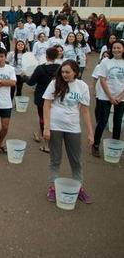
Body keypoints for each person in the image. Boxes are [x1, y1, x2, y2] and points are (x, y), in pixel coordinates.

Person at [43, 60, 93, 204]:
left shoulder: (82, 86)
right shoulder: (54, 83)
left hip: (73, 128)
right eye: (62, 72)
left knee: (76, 160)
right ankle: (53, 187)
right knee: (55, 159)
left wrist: (90, 133)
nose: (64, 75)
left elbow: (85, 110)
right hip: (55, 126)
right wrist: (46, 127)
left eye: (67, 72)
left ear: (75, 72)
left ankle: (79, 188)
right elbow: (46, 105)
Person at [23, 47, 60, 152]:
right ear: (57, 56)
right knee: (52, 118)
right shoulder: (60, 68)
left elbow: (31, 82)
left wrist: (24, 76)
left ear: (46, 56)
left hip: (41, 96)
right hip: (55, 96)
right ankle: (40, 135)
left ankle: (47, 144)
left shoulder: (40, 68)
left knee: (43, 119)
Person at [92, 40, 124, 157]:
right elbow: (102, 80)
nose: (116, 50)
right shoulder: (106, 61)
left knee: (117, 122)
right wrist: (110, 97)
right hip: (105, 96)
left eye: (119, 48)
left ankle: (114, 146)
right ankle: (95, 145)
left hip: (121, 98)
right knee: (103, 121)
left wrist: (119, 97)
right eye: (114, 48)